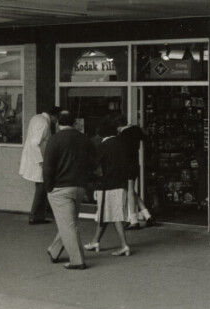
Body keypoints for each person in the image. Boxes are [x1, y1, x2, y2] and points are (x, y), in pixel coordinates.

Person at [43, 110, 95, 270]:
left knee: (68, 225)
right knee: (69, 222)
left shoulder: (55, 139)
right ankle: (54, 250)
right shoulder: (84, 139)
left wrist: (48, 187)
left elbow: (48, 166)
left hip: (60, 188)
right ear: (74, 123)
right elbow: (92, 161)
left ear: (58, 123)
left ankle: (77, 260)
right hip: (79, 186)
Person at [86, 117, 131, 257]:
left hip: (106, 185)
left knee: (112, 214)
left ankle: (124, 245)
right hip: (121, 184)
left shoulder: (103, 146)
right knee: (108, 213)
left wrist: (92, 180)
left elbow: (92, 165)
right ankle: (95, 241)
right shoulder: (122, 143)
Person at [19, 106, 61, 224]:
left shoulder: (36, 118)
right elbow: (35, 143)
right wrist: (41, 161)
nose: (56, 121)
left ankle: (39, 216)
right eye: (57, 118)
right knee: (42, 187)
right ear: (53, 116)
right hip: (39, 160)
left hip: (34, 158)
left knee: (41, 187)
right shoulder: (44, 123)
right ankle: (35, 216)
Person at [116, 114, 152, 229]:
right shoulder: (136, 130)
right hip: (135, 164)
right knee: (131, 190)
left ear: (118, 126)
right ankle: (147, 215)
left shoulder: (121, 136)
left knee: (130, 191)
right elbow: (146, 136)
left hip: (127, 166)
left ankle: (134, 220)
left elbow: (122, 155)